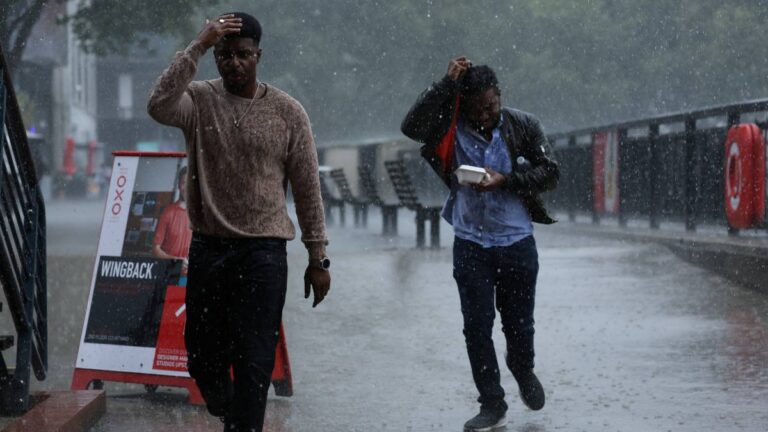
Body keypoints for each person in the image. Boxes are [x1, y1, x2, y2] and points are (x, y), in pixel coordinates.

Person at [147, 12, 331, 432]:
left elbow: (307, 188)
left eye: (243, 55)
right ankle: (231, 412)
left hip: (264, 252)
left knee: (254, 359)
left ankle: (243, 425)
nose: (234, 63)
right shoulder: (197, 101)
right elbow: (158, 104)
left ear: (258, 56)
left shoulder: (287, 112)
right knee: (202, 355)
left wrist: (318, 258)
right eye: (225, 55)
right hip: (210, 247)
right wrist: (198, 44)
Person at [401, 58, 559, 431]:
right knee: (476, 325)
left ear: (500, 96)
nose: (487, 114)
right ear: (464, 105)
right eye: (478, 109)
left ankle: (522, 369)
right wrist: (445, 84)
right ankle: (492, 402)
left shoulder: (524, 124)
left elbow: (551, 172)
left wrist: (505, 180)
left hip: (517, 240)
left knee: (519, 324)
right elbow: (411, 127)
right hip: (470, 241)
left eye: (492, 106)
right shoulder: (449, 125)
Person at [152, 166, 192, 272]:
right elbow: (156, 250)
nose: (187, 187)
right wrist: (176, 261)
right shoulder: (168, 213)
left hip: (191, 278)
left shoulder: (199, 215)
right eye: (184, 182)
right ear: (179, 185)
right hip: (169, 274)